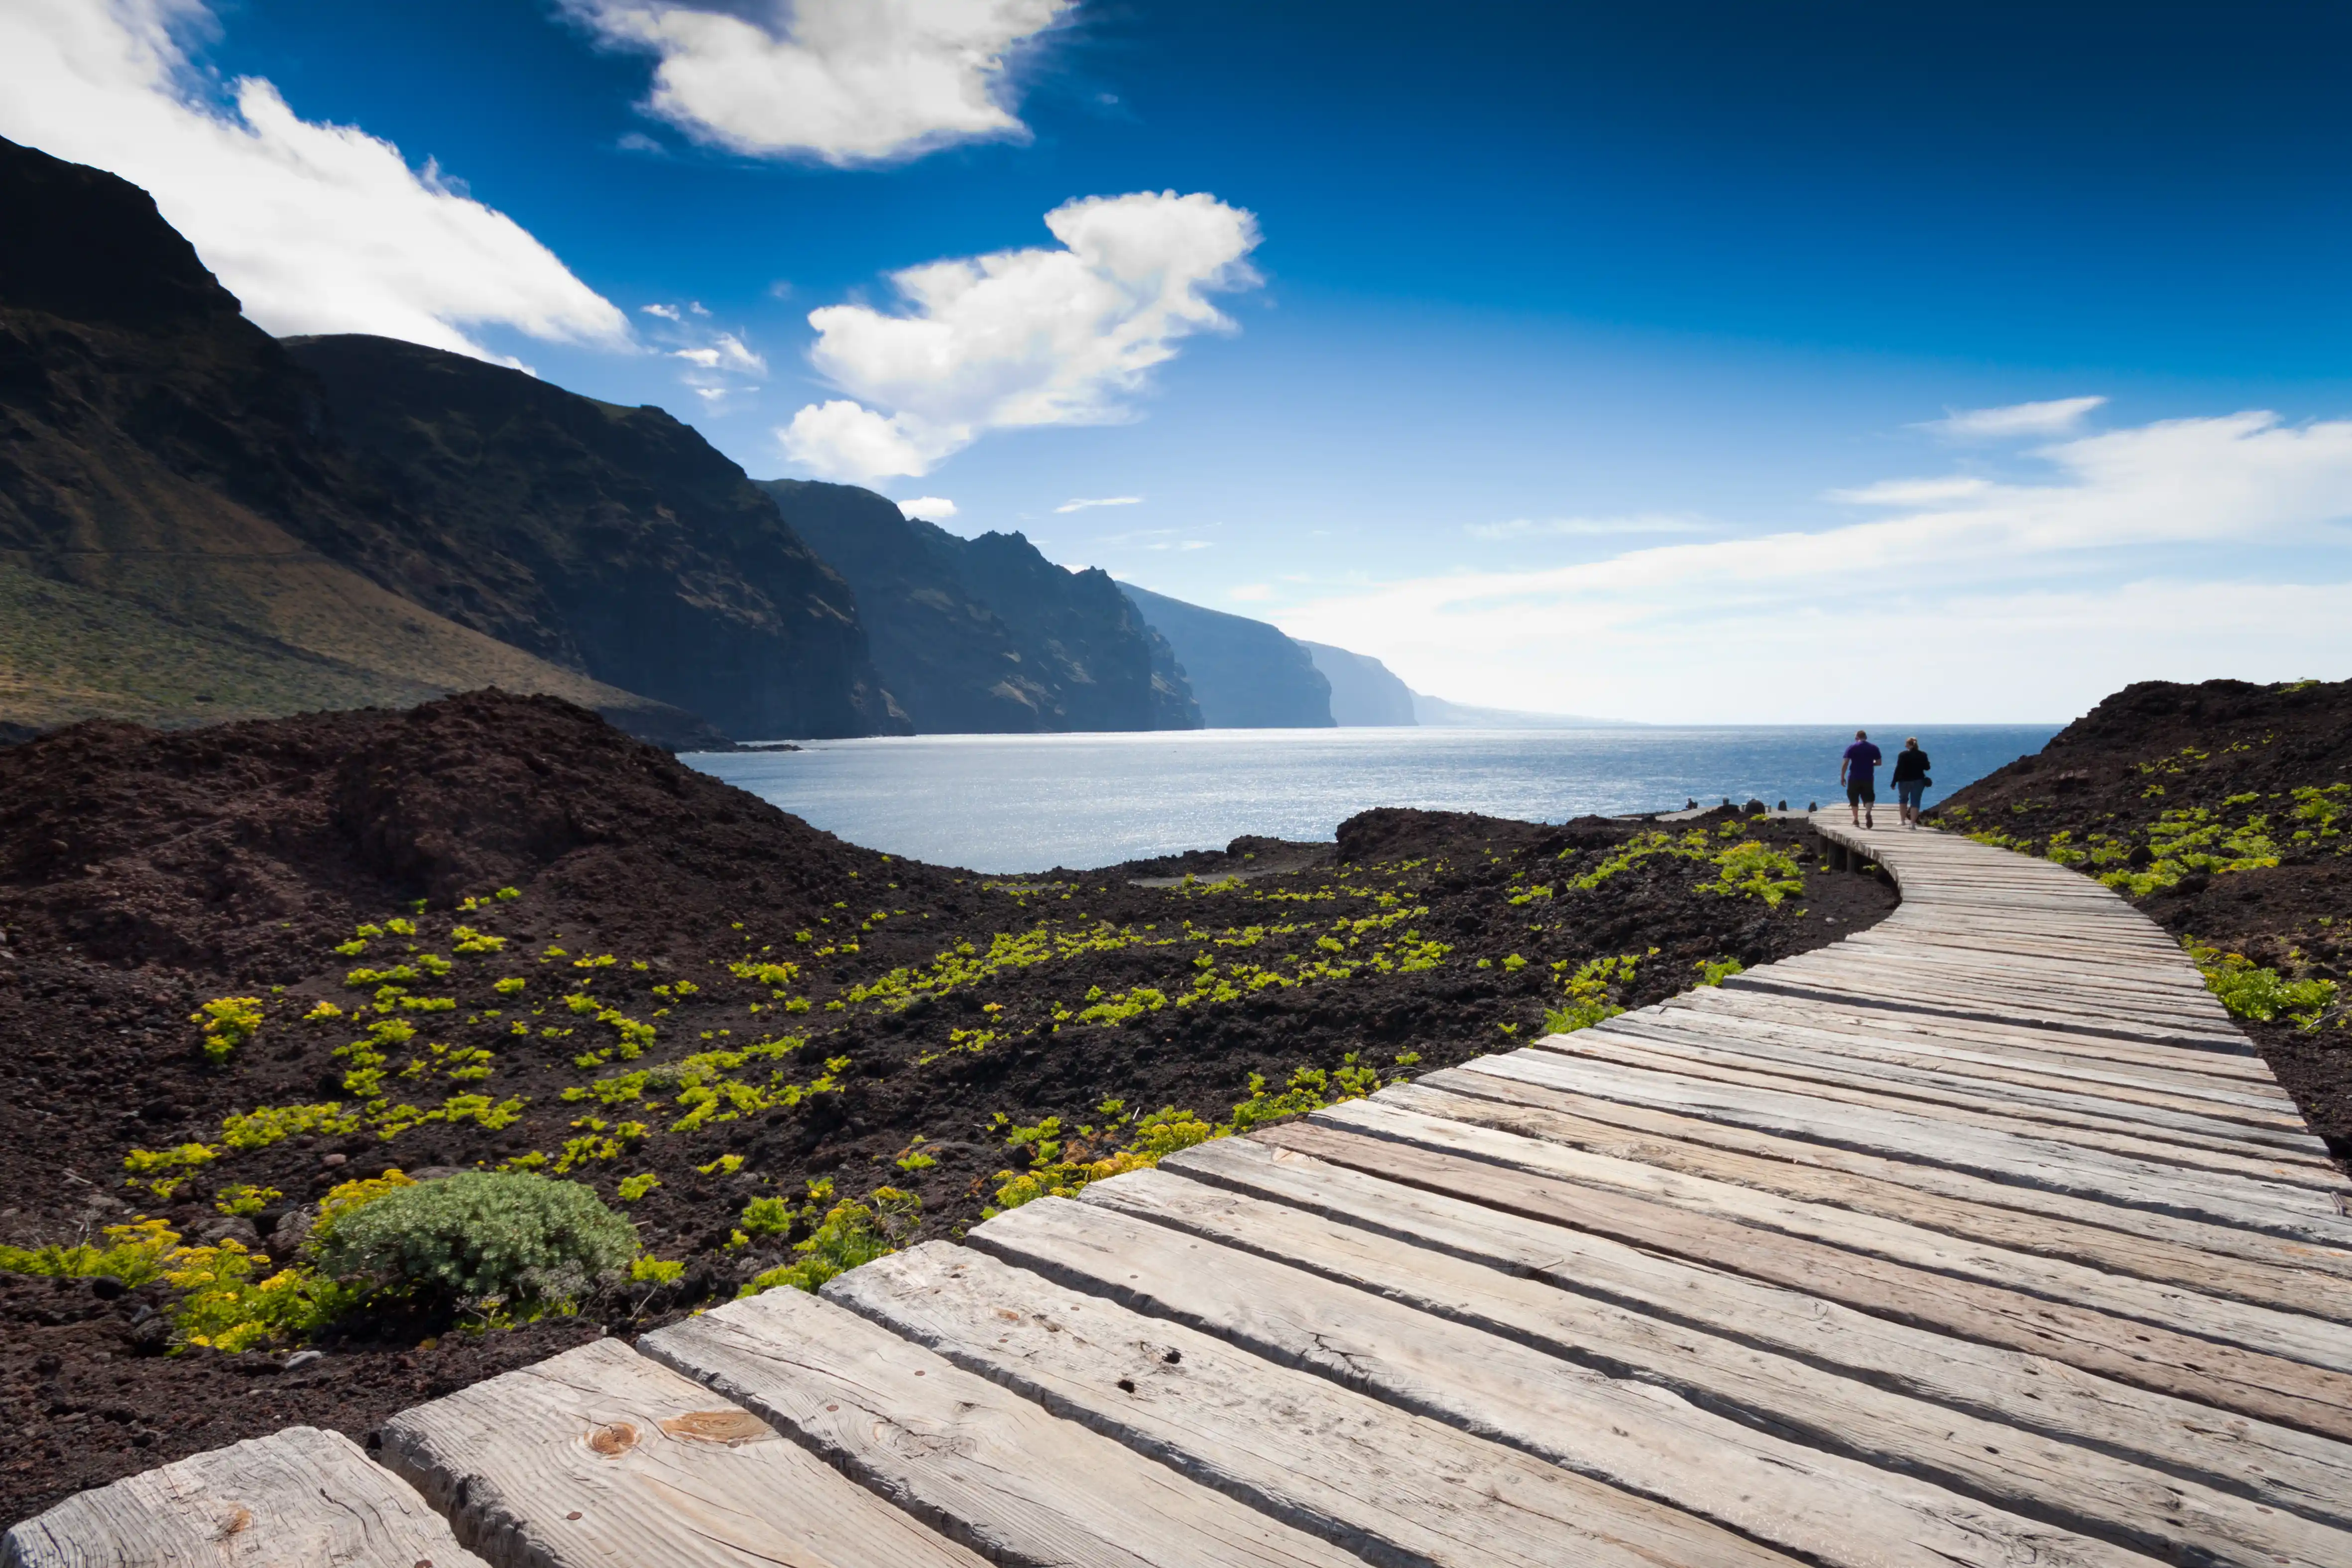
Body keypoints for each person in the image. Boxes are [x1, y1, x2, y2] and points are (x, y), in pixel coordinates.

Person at [1840, 729, 1882, 828]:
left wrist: (1842, 777)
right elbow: (1879, 763)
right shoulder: (1874, 748)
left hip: (1854, 777)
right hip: (1868, 776)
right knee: (1869, 796)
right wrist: (1869, 764)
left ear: (1857, 738)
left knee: (1853, 797)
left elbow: (1846, 763)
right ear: (1866, 737)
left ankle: (1856, 820)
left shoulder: (1852, 748)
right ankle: (1868, 812)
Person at [1889, 737, 1932, 829]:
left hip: (1904, 781)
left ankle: (1903, 821)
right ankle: (1913, 824)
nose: (1905, 746)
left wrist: (1894, 782)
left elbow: (1898, 769)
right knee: (1916, 801)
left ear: (1909, 745)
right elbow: (1927, 767)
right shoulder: (1923, 755)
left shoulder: (1903, 755)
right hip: (1919, 781)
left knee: (1903, 800)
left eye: (1906, 744)